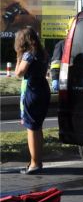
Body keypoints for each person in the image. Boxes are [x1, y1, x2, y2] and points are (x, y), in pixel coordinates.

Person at [14, 27, 51, 174]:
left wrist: (18, 57)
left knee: (31, 128)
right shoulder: (43, 53)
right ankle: (37, 161)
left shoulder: (28, 54)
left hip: (32, 90)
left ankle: (34, 164)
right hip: (43, 88)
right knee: (38, 127)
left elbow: (19, 73)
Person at [49, 17, 74, 92]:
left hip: (76, 80)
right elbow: (55, 63)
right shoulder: (61, 44)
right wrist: (55, 78)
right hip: (64, 79)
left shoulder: (79, 45)